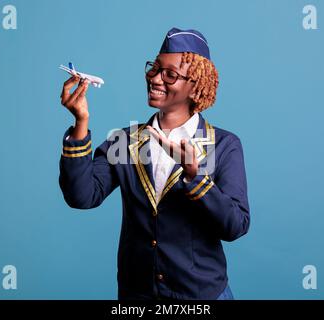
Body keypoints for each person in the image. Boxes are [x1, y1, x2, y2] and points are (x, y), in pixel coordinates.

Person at [59, 27, 250, 300]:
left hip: (202, 297)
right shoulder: (124, 142)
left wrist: (194, 177)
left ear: (195, 84)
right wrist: (81, 123)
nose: (155, 79)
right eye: (154, 68)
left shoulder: (224, 145)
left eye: (170, 74)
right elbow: (81, 196)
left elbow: (235, 226)